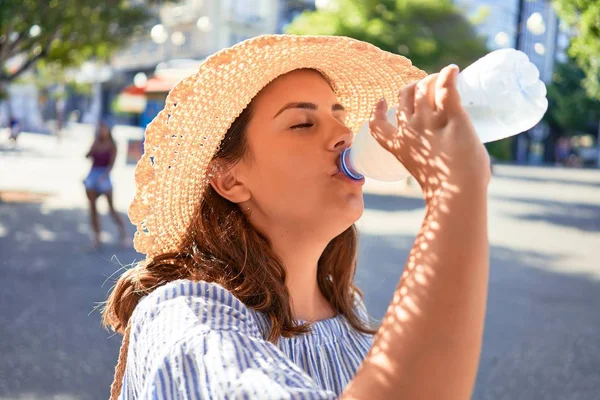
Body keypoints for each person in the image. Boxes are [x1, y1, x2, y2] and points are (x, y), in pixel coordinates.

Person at [103, 35, 490, 399]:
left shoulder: (346, 310)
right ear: (229, 179)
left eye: (340, 117)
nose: (343, 134)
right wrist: (457, 191)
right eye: (303, 124)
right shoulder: (185, 318)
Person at [84, 121, 127, 249]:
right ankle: (97, 236)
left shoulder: (112, 145)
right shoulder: (96, 142)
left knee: (111, 209)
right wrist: (92, 148)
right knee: (92, 208)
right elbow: (87, 156)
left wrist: (103, 176)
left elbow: (111, 165)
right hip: (92, 174)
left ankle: (123, 233)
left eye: (104, 128)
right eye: (100, 128)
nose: (102, 131)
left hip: (104, 176)